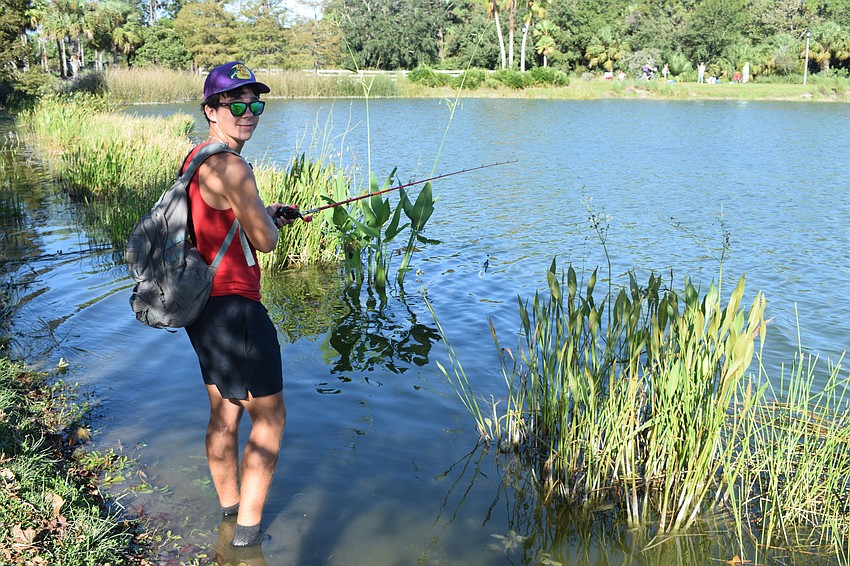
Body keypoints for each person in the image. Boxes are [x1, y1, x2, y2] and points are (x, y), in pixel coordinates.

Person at [185, 61, 295, 547]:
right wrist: (269, 222)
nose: (247, 113)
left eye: (255, 104)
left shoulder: (198, 158)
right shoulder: (233, 164)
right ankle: (247, 539)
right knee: (270, 419)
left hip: (204, 312)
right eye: (235, 104)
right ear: (211, 109)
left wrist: (262, 212)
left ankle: (229, 513)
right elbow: (266, 243)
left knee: (224, 413)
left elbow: (222, 222)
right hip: (237, 308)